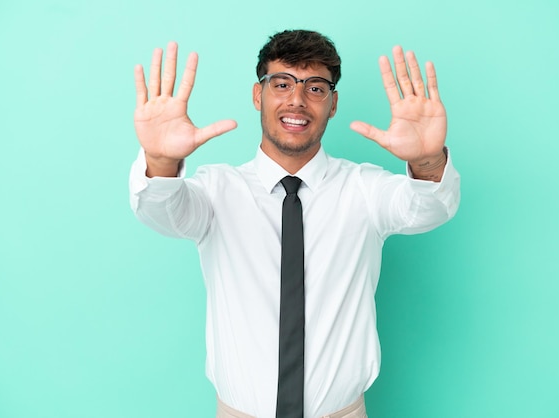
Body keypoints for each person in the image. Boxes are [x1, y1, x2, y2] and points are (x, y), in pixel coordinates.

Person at [129, 30, 460, 418]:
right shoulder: (217, 191)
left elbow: (429, 208)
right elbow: (160, 210)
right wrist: (162, 162)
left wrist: (427, 161)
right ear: (258, 95)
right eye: (282, 83)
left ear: (333, 103)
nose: (297, 100)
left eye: (316, 88)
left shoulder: (364, 190)